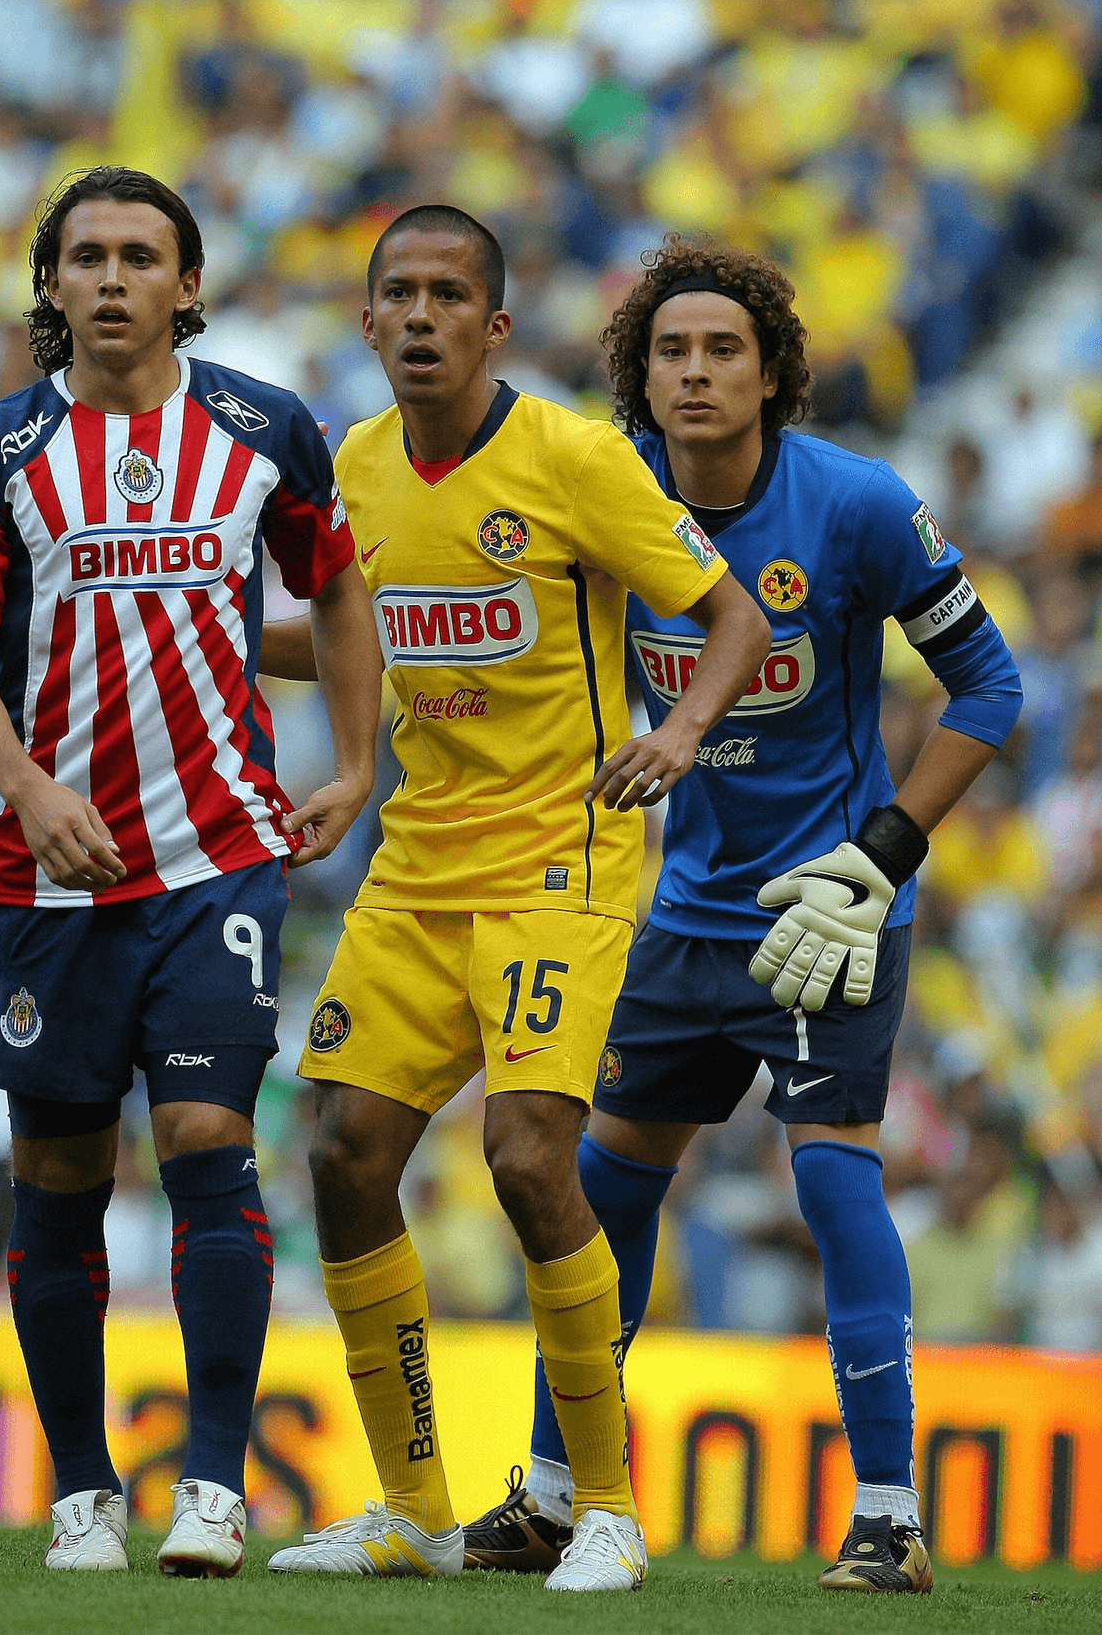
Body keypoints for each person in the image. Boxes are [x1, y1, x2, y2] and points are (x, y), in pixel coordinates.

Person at [462, 237, 1022, 1594]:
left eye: (723, 349)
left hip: (831, 906)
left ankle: (888, 1518)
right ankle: (551, 1493)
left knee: (832, 1178)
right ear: (637, 378)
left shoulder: (857, 506)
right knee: (603, 1183)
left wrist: (881, 858)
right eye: (670, 351)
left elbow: (991, 692)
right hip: (687, 912)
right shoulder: (606, 498)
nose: (695, 371)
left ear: (773, 374)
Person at [258, 205, 771, 1592]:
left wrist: (674, 735)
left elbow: (734, 615)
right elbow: (348, 633)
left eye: (447, 296)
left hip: (567, 856)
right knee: (346, 1150)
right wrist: (211, 637)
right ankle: (415, 1509)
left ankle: (603, 1502)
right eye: (396, 296)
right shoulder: (351, 469)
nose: (419, 316)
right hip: (419, 861)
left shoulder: (573, 459)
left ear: (494, 327)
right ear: (365, 324)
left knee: (530, 1157)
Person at [0, 166, 383, 1577]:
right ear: (50, 285)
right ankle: (81, 1491)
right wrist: (28, 788)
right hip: (50, 874)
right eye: (86, 256)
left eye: (140, 256)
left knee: (206, 1147)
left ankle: (217, 1490)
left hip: (215, 860)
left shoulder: (262, 428)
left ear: (189, 283)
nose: (112, 278)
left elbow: (338, 588)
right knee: (57, 1180)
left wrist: (353, 766)